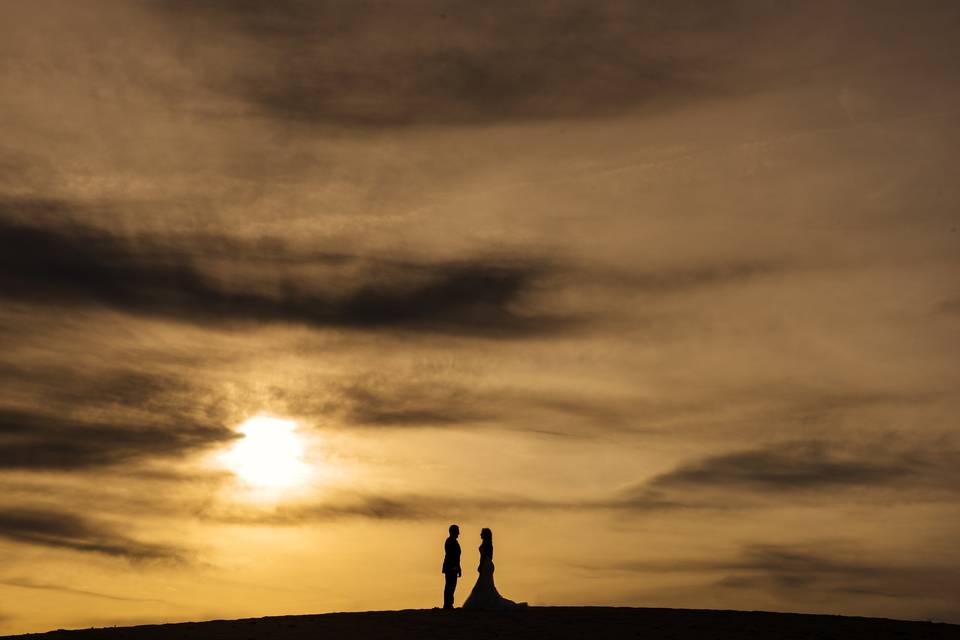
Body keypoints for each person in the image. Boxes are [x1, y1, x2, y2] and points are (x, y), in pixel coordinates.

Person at [462, 528, 527, 610]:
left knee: (484, 584)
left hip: (486, 564)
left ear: (485, 535)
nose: (480, 535)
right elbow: (489, 557)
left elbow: (484, 557)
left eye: (481, 533)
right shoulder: (489, 544)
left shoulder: (486, 544)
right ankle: (485, 601)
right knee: (486, 584)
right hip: (488, 564)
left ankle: (483, 603)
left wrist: (480, 565)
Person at [441, 524, 461, 609]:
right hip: (451, 567)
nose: (459, 533)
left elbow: (457, 557)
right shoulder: (450, 541)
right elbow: (451, 555)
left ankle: (449, 603)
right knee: (450, 585)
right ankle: (447, 604)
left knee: (451, 585)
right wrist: (455, 567)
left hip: (453, 566)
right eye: (457, 531)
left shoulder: (452, 541)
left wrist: (458, 567)